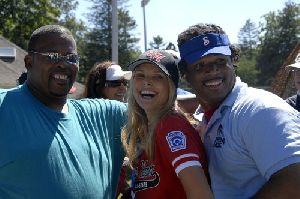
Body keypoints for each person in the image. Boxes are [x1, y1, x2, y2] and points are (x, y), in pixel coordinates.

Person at [0, 25, 127, 199]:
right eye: (53, 56)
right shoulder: (4, 106)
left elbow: (159, 114)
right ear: (29, 62)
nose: (63, 64)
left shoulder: (104, 115)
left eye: (71, 58)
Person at [177, 23, 300, 199]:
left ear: (233, 62)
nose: (213, 70)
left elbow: (295, 182)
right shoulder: (207, 116)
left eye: (220, 61)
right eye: (200, 65)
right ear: (185, 74)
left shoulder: (258, 109)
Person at [121, 49, 213, 199]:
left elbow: (201, 195)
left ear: (171, 86)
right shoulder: (151, 126)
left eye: (158, 77)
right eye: (140, 75)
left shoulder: (170, 126)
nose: (147, 82)